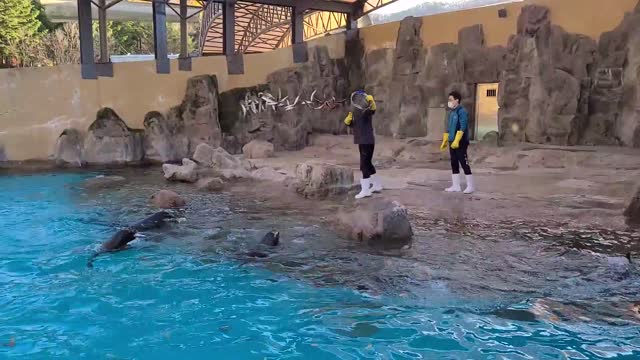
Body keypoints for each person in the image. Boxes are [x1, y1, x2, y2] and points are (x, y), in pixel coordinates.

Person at [344, 90, 382, 199]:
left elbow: (372, 110)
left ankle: (365, 190)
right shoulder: (355, 113)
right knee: (368, 164)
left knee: (364, 165)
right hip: (361, 141)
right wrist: (348, 121)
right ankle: (377, 185)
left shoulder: (366, 112)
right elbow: (352, 125)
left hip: (367, 141)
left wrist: (372, 102)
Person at [440, 91, 475, 194]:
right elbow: (449, 127)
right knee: (454, 163)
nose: (449, 102)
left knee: (464, 162)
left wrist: (457, 139)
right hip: (452, 141)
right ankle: (456, 186)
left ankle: (470, 186)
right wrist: (446, 139)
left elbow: (463, 125)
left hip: (461, 142)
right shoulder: (452, 112)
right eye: (449, 100)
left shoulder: (462, 111)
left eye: (451, 99)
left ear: (457, 100)